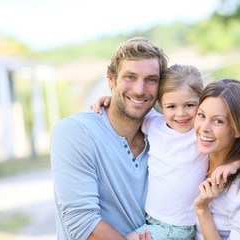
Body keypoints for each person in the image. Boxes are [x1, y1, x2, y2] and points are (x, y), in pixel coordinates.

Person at [92, 64, 240, 240]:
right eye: (171, 107)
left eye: (189, 105)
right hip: (151, 220)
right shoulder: (153, 123)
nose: (181, 114)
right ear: (160, 105)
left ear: (201, 103)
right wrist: (108, 102)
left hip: (177, 227)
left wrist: (235, 163)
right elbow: (127, 113)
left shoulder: (200, 134)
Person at [50, 37, 168, 240]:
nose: (140, 90)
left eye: (151, 80)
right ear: (111, 79)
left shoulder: (166, 133)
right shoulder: (75, 132)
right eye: (130, 77)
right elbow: (83, 224)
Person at [193, 78, 240, 240]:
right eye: (201, 115)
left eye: (218, 121)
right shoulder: (195, 149)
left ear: (239, 129)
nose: (204, 128)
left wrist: (202, 209)